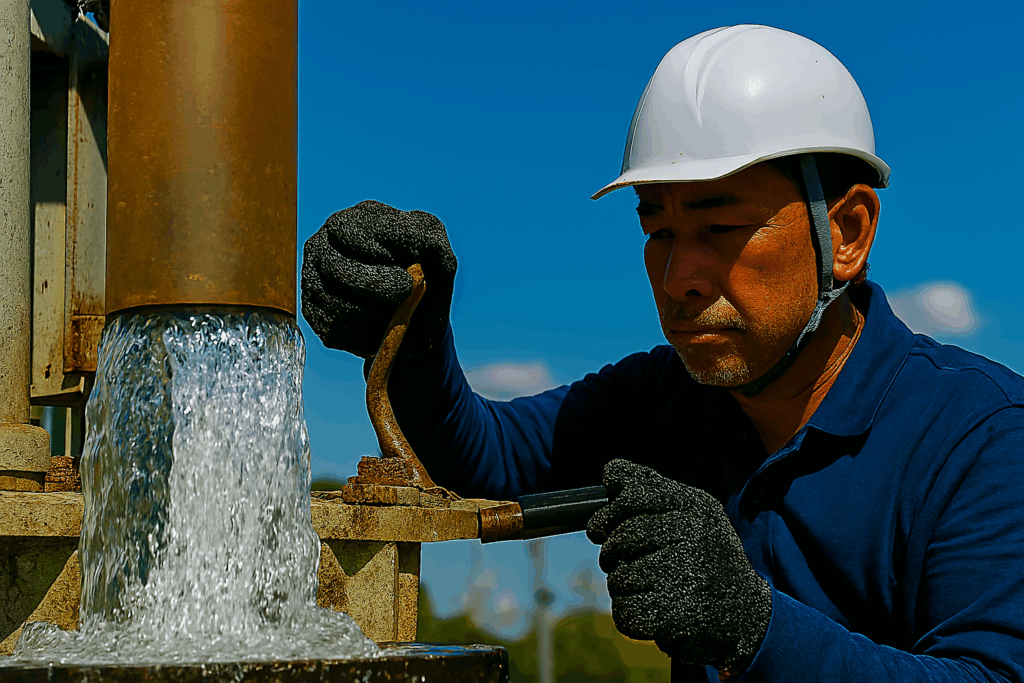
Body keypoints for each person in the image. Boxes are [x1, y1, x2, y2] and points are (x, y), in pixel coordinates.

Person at [301, 25, 1024, 683]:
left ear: (847, 232)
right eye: (659, 231)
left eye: (722, 225)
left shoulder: (982, 437)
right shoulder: (666, 397)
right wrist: (413, 336)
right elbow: (481, 465)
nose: (681, 277)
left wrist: (757, 630)